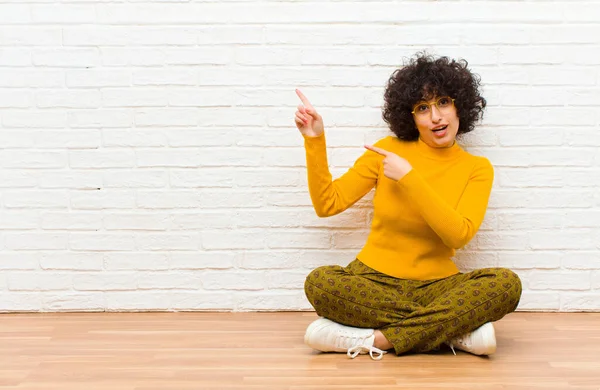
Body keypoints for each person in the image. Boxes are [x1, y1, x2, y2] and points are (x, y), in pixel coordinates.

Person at [293, 53, 522, 360]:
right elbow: (327, 204)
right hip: (372, 281)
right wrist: (315, 140)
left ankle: (377, 339)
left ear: (459, 107)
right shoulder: (386, 150)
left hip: (438, 286)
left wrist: (409, 178)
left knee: (506, 285)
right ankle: (454, 331)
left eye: (443, 102)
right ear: (411, 117)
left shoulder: (477, 168)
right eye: (422, 108)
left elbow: (458, 235)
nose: (436, 117)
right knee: (320, 283)